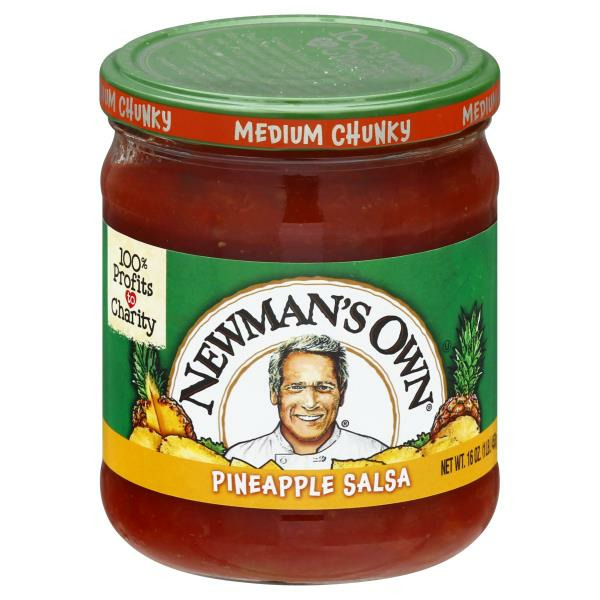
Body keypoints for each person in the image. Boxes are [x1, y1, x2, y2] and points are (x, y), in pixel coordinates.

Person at [225, 334, 387, 469]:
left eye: (323, 387)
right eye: (296, 387)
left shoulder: (375, 456)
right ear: (274, 393)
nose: (310, 403)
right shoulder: (241, 459)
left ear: (341, 394)